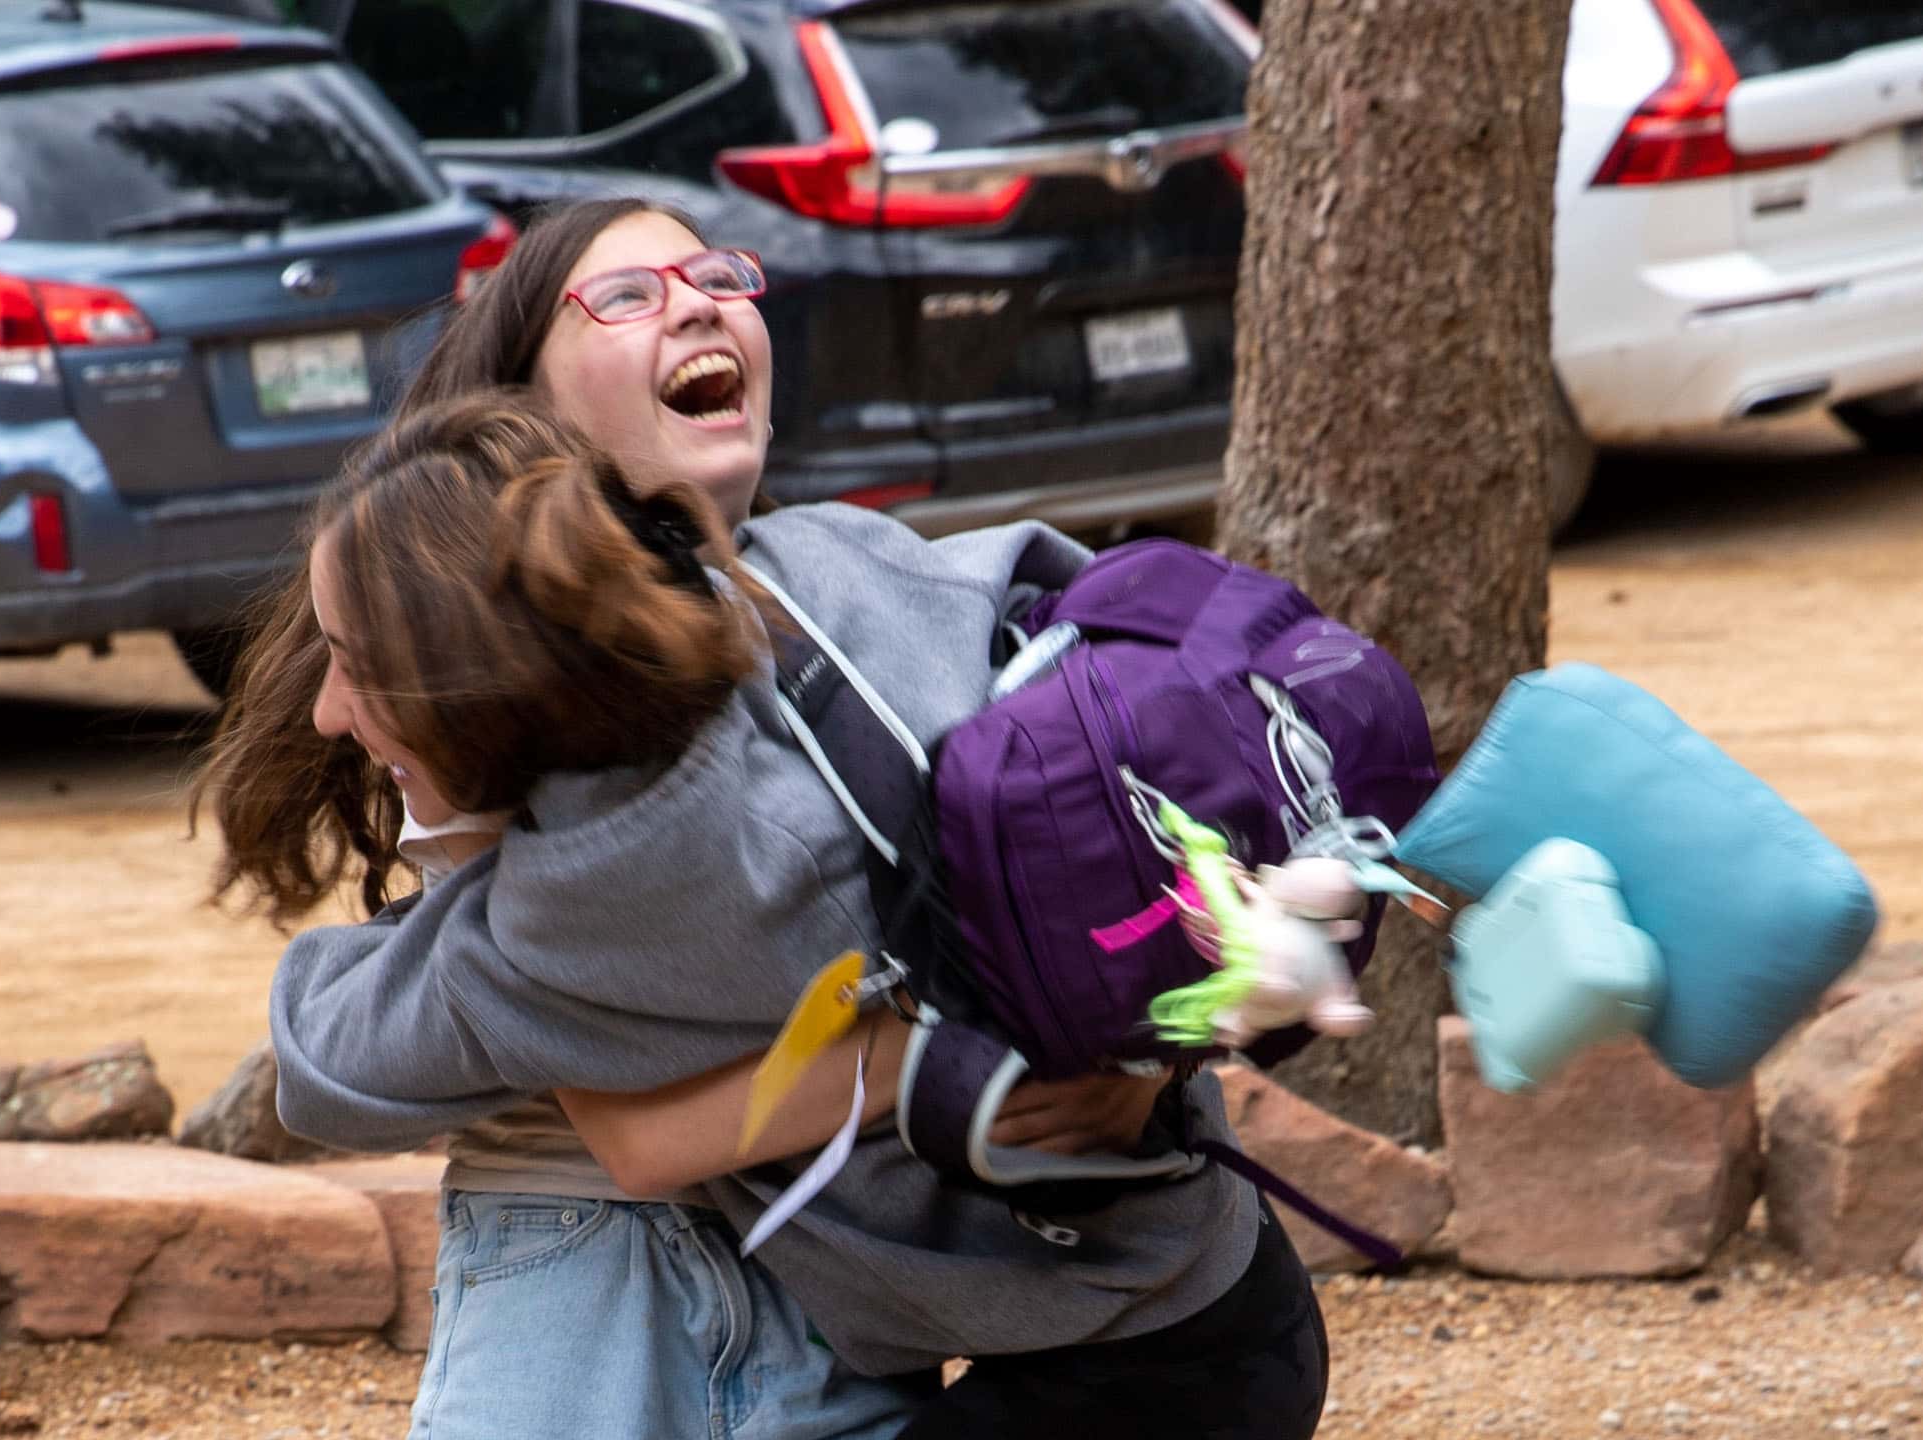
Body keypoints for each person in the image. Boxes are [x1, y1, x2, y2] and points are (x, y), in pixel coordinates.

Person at [194, 200, 1325, 1439]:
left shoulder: (860, 578)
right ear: (516, 412)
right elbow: (624, 1137)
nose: (693, 300)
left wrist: (1128, 1045)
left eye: (716, 273)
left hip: (977, 1304)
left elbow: (1168, 772)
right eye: (622, 297)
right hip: (608, 1262)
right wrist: (968, 1044)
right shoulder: (525, 743)